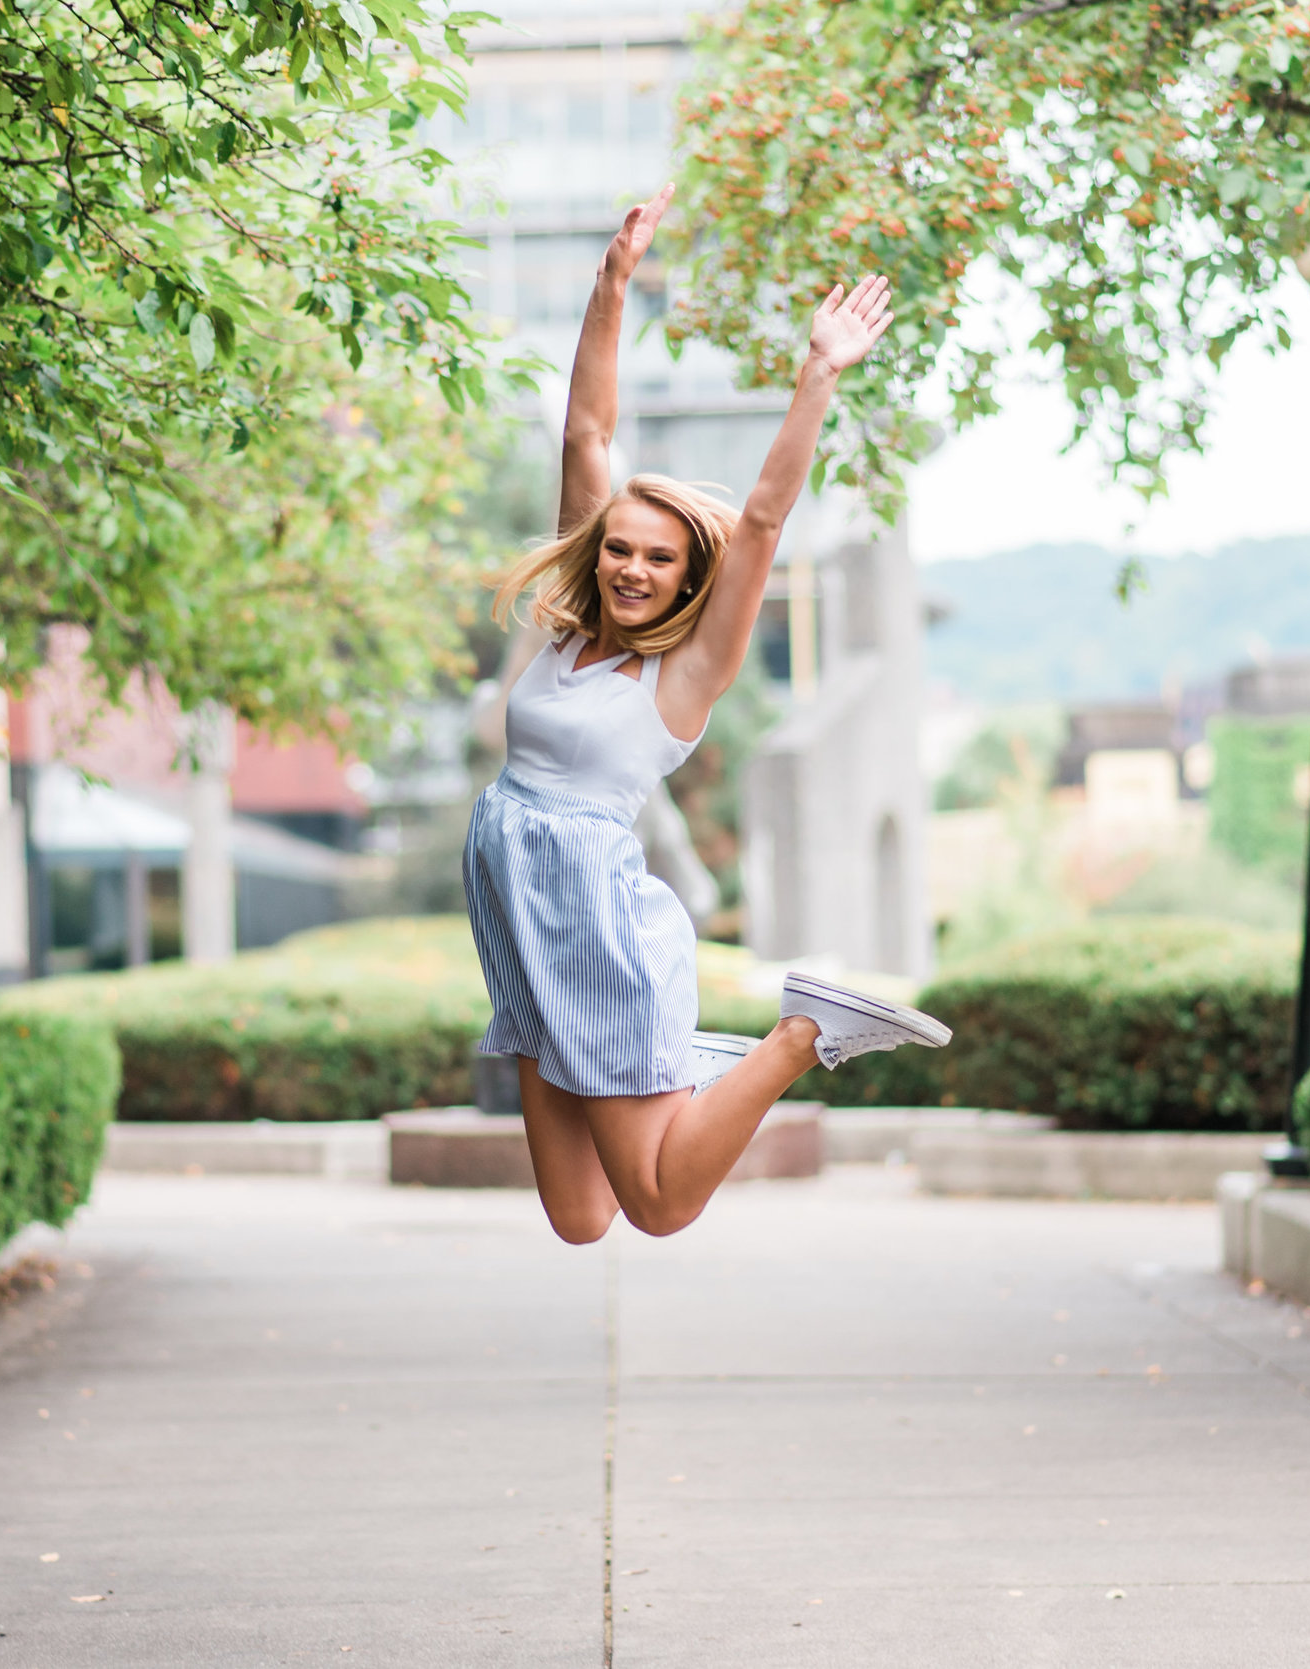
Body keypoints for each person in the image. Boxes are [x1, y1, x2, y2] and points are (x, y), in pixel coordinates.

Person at [465, 185, 952, 1244]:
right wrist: (610, 286)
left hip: (592, 927)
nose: (632, 566)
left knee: (658, 1204)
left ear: (688, 576)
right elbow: (588, 429)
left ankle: (799, 1033)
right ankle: (697, 1058)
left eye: (659, 556)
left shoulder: (679, 680)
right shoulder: (562, 634)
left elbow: (766, 521)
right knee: (580, 1218)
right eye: (619, 547)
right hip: (524, 923)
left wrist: (817, 372)